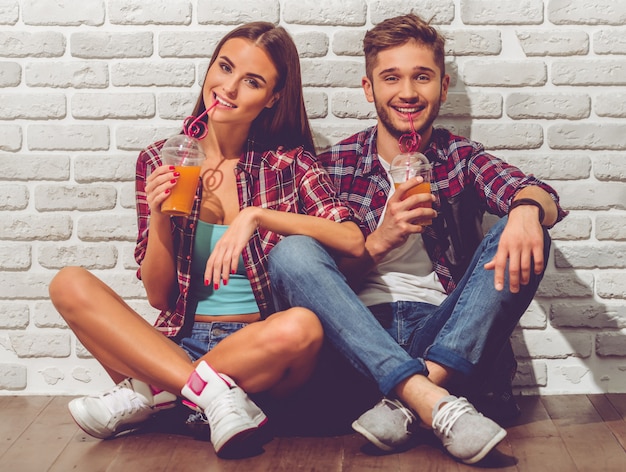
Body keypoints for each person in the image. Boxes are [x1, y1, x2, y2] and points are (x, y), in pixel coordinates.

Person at [48, 21, 364, 458]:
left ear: (273, 98)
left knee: (303, 326)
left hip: (256, 346)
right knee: (68, 282)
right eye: (225, 67)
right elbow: (160, 298)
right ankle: (211, 394)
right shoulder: (160, 159)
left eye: (251, 81)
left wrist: (256, 216)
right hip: (177, 338)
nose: (229, 88)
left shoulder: (289, 164)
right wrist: (159, 217)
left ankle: (156, 393)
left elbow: (352, 239)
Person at [268, 13, 567, 465]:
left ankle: (414, 390)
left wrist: (527, 210)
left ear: (442, 87)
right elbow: (306, 280)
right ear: (369, 89)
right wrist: (379, 241)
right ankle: (429, 397)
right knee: (291, 251)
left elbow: (535, 191)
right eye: (391, 77)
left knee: (526, 230)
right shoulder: (331, 165)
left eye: (421, 77)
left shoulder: (456, 155)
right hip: (356, 338)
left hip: (447, 335)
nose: (407, 92)